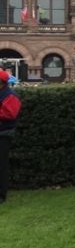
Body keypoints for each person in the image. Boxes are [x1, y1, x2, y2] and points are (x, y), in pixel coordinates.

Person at [0, 70, 22, 205]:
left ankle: (1, 194)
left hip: (3, 134)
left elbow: (10, 114)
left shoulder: (10, 95)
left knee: (1, 165)